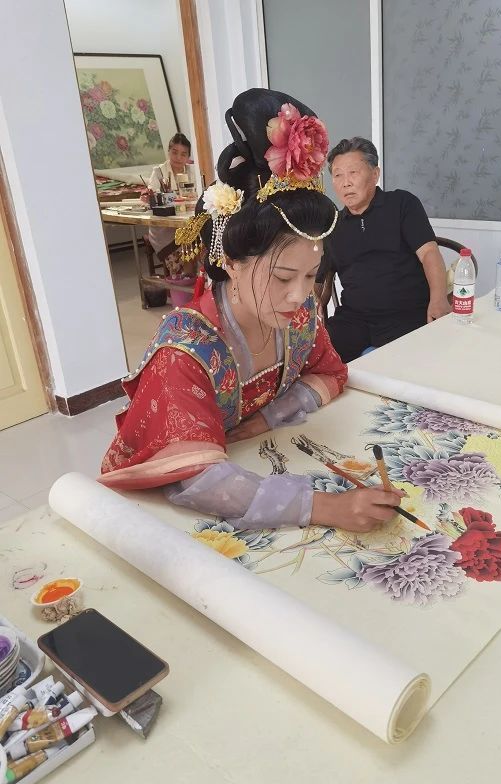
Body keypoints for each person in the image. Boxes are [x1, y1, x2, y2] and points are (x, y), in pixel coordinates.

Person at [101, 89, 404, 533]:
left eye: (312, 275)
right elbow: (196, 477)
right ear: (231, 262)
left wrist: (269, 416)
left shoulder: (298, 316)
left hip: (247, 458)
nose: (300, 296)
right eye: (283, 277)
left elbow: (331, 373)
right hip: (156, 506)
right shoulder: (184, 352)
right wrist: (325, 507)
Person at [316, 137, 450, 363]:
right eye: (338, 175)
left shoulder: (402, 204)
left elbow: (429, 253)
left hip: (406, 314)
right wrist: (314, 302)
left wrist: (438, 299)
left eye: (353, 173)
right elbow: (320, 279)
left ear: (375, 174)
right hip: (355, 319)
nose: (345, 183)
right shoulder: (332, 225)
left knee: (408, 367)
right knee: (319, 360)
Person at [143, 133, 196, 279]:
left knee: (202, 243)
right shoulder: (159, 172)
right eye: (174, 152)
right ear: (168, 151)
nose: (178, 157)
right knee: (184, 249)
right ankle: (182, 282)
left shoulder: (192, 172)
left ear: (188, 156)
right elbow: (152, 196)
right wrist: (149, 197)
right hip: (165, 228)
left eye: (183, 154)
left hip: (188, 224)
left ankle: (197, 282)